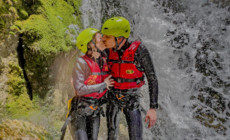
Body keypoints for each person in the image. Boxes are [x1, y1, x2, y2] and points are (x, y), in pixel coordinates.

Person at [101, 17, 159, 140]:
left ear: (120, 38)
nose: (103, 39)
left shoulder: (139, 51)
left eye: (107, 37)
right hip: (113, 98)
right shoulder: (106, 51)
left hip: (132, 99)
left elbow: (152, 78)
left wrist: (153, 108)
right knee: (111, 136)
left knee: (136, 137)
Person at [68, 28, 114, 140]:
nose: (103, 39)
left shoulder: (104, 60)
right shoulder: (81, 62)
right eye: (99, 38)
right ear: (91, 44)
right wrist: (103, 85)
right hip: (80, 112)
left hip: (95, 110)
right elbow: (79, 89)